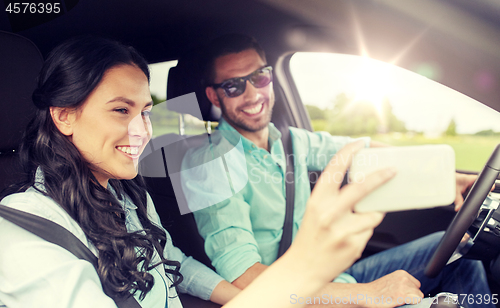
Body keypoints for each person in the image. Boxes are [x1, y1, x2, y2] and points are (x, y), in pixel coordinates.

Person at [0, 36, 395, 308]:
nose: (143, 132)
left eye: (146, 112)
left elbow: (174, 261)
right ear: (65, 115)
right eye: (121, 110)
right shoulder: (20, 232)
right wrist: (304, 270)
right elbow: (240, 267)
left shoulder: (124, 195)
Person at [181, 33, 494, 308]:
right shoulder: (208, 165)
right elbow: (245, 277)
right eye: (233, 86)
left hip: (335, 279)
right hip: (291, 299)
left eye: (259, 77)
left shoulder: (290, 140)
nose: (252, 95)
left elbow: (359, 148)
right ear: (214, 96)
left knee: (460, 257)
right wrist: (363, 294)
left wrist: (443, 176)